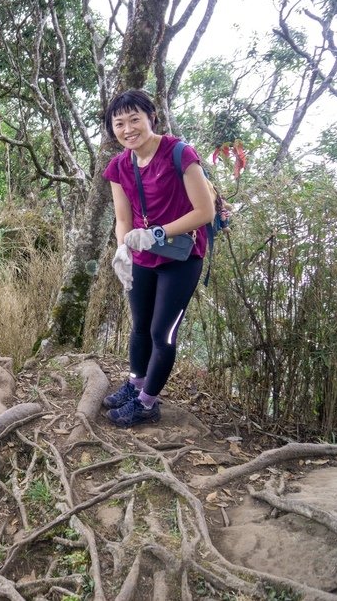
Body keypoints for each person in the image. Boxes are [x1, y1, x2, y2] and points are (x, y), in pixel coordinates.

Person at [102, 89, 215, 428]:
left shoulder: (179, 154)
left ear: (151, 118)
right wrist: (123, 249)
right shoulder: (119, 166)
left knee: (161, 333)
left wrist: (157, 233)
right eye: (119, 123)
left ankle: (148, 403)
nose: (128, 129)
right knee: (139, 327)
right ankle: (136, 385)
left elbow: (204, 211)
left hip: (182, 257)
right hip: (143, 256)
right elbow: (123, 220)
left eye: (135, 119)